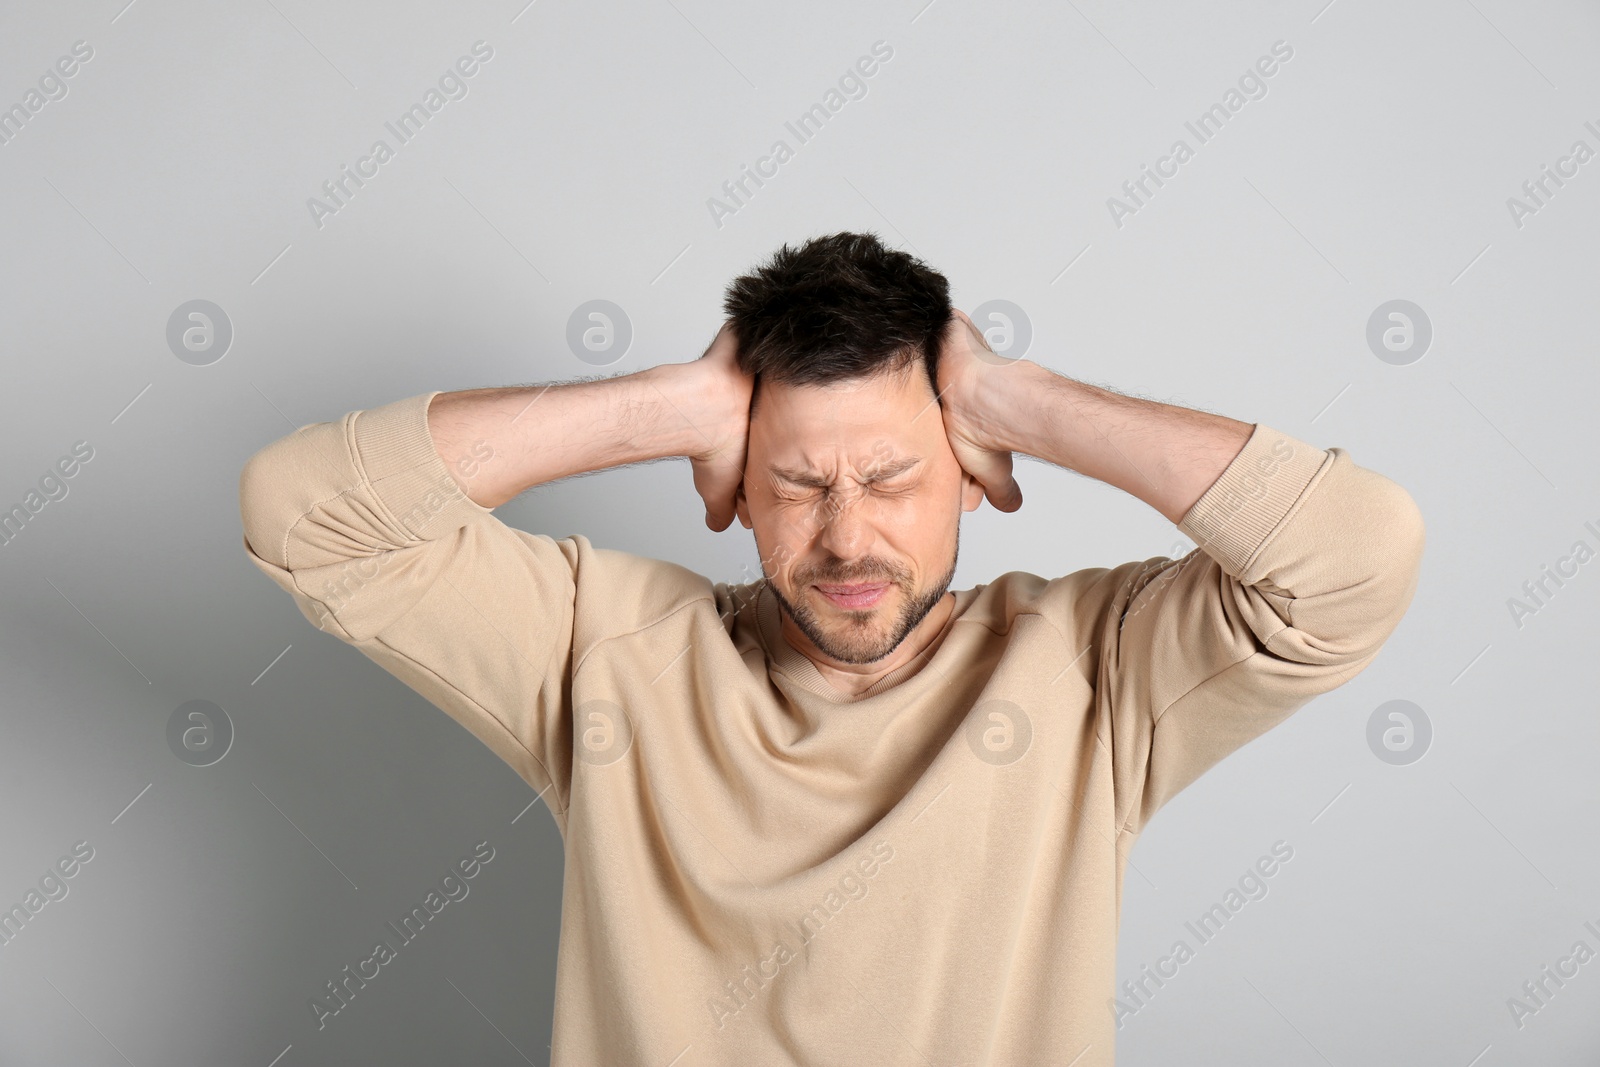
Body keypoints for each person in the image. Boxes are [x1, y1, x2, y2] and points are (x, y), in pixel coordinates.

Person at [238, 230, 1425, 1065]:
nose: (847, 534)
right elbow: (301, 511)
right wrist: (664, 407)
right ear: (734, 492)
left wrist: (1026, 403)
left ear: (971, 477)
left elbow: (1356, 554)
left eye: (895, 476)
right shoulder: (607, 651)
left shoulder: (1089, 667)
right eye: (798, 482)